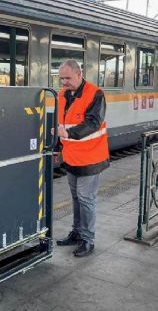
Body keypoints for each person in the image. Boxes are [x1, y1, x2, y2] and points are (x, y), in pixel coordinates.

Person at [55, 59, 110, 257]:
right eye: (61, 78)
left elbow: (93, 122)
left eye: (67, 78)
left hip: (91, 157)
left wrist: (69, 134)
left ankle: (88, 239)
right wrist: (57, 147)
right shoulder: (62, 95)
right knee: (77, 198)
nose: (64, 82)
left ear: (79, 74)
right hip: (71, 157)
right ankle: (77, 233)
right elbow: (61, 123)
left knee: (86, 199)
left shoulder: (95, 94)